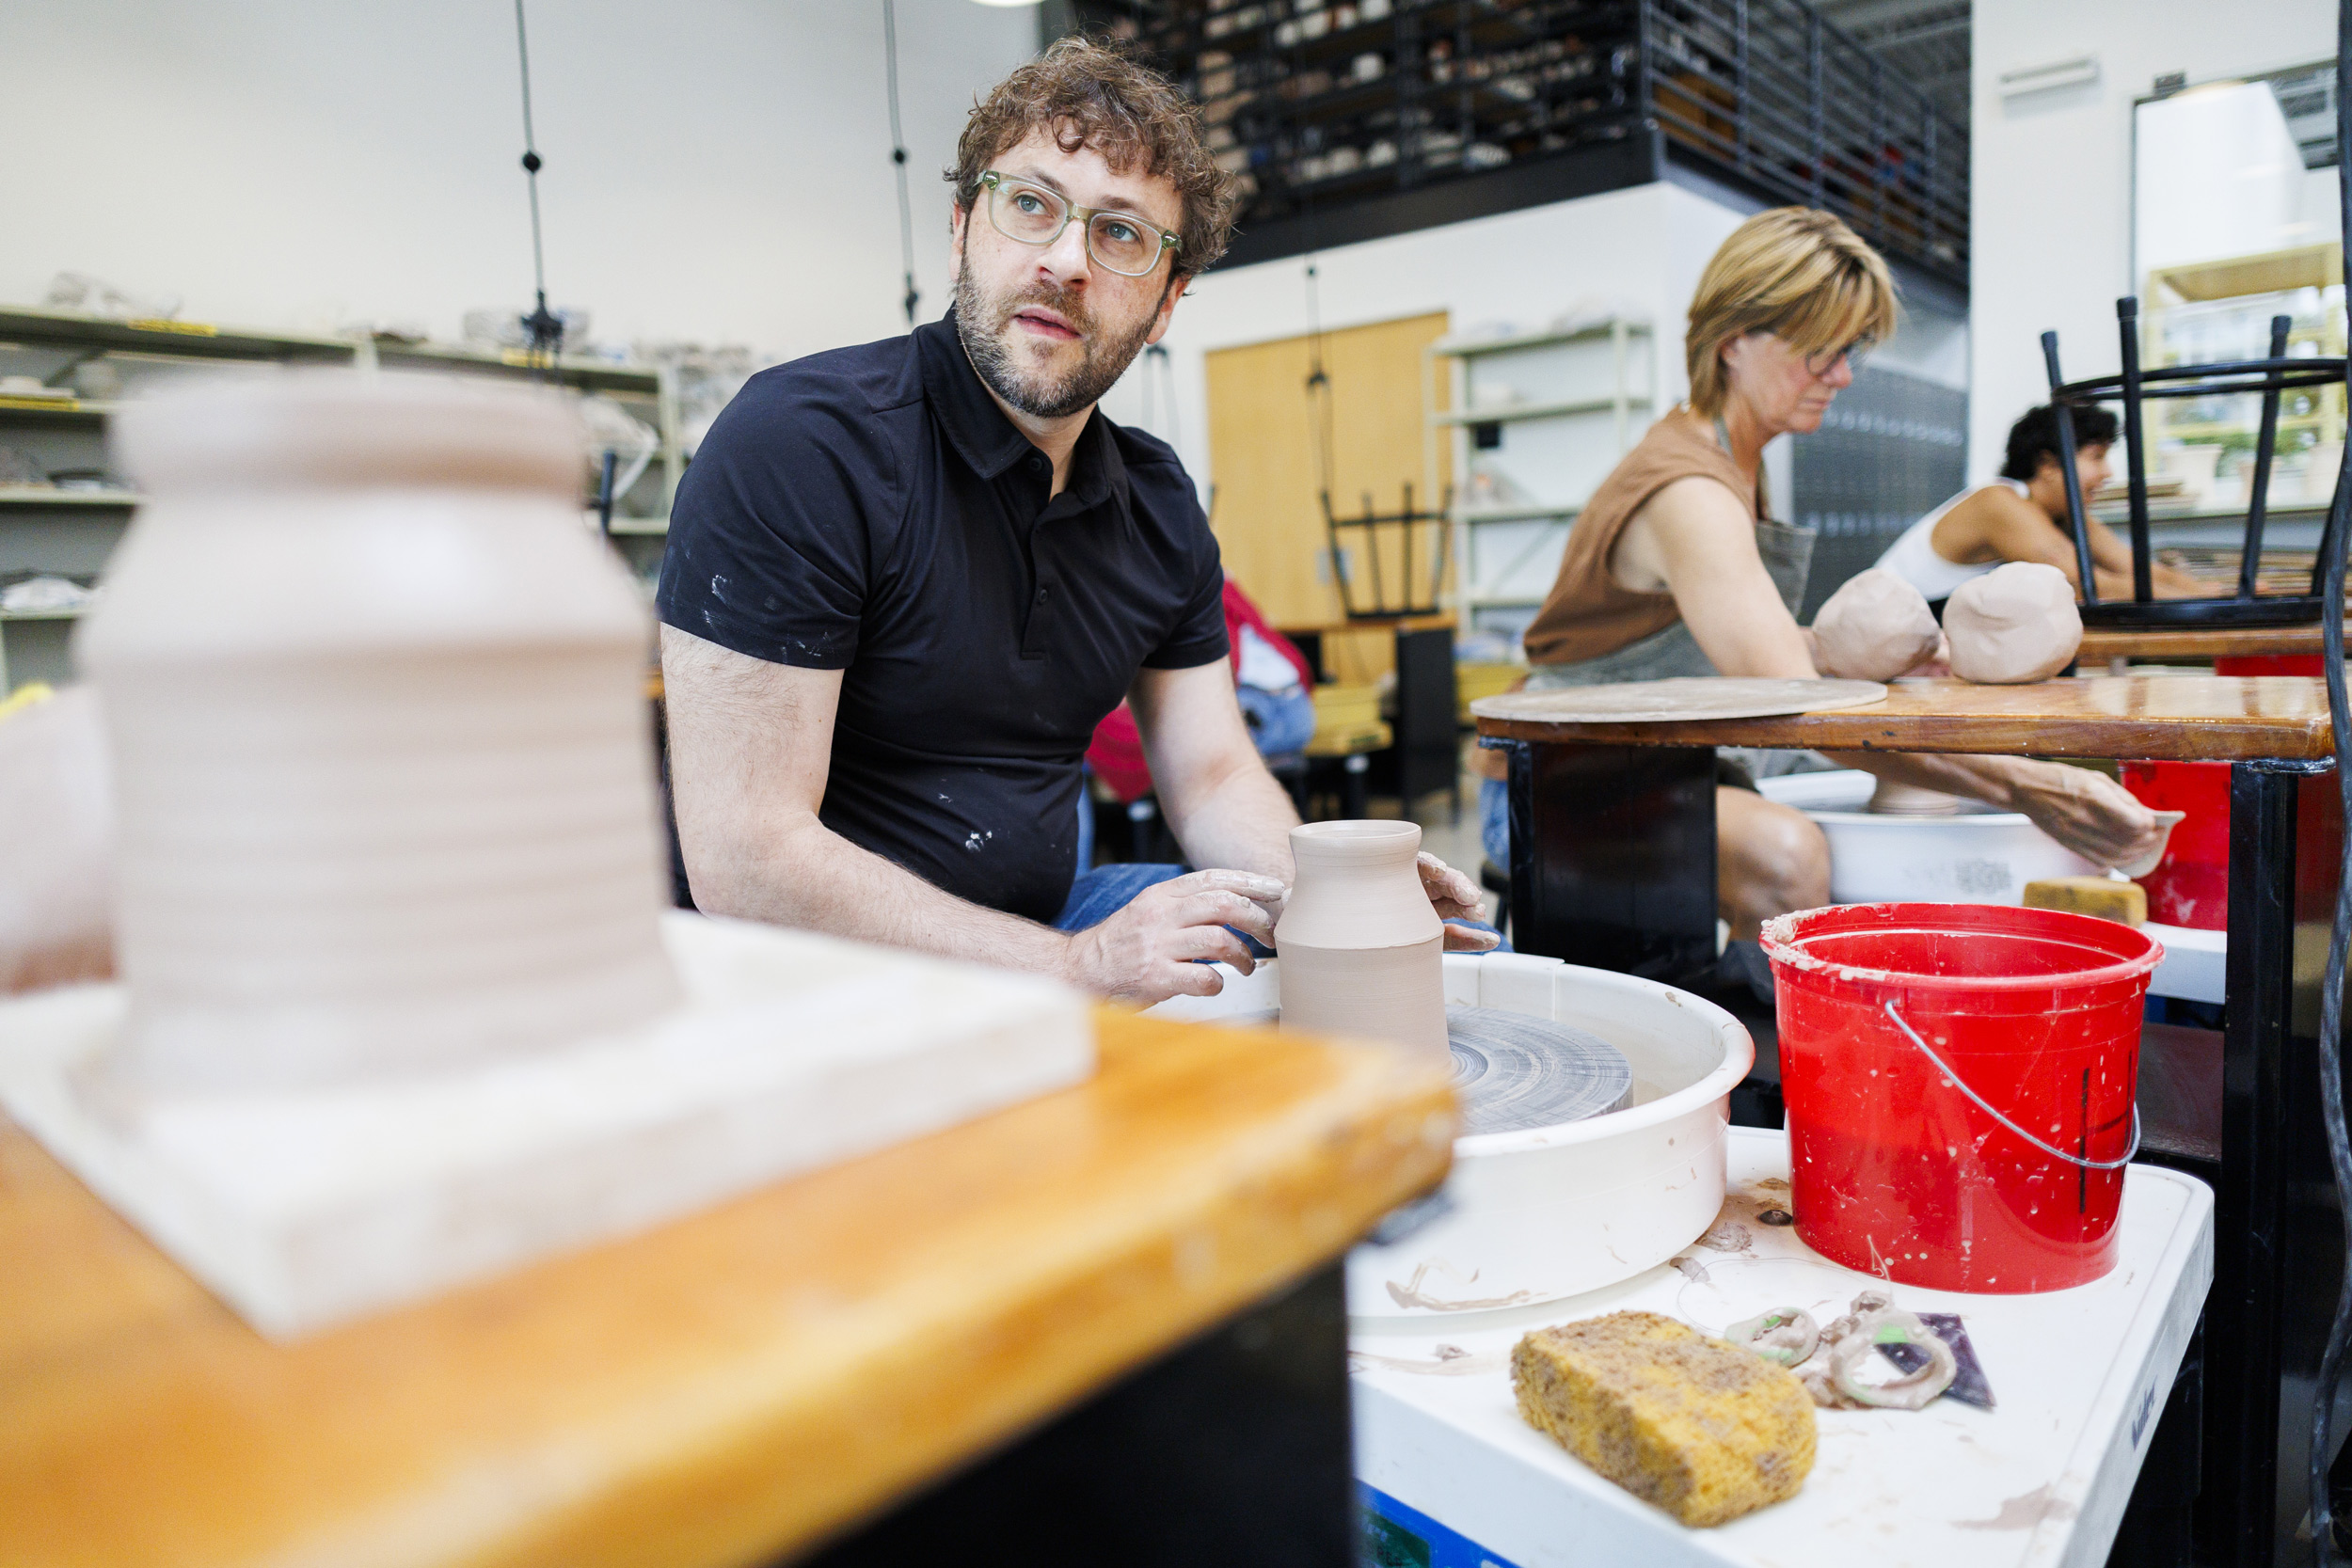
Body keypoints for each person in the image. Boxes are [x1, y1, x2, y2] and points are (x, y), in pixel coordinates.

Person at [658, 40, 1494, 1009]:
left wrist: (1338, 890)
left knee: (1425, 969)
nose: (1063, 260)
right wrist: (1077, 969)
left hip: (1047, 925)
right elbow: (746, 859)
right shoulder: (802, 445)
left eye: (1122, 235)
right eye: (1029, 205)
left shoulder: (1155, 501)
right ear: (963, 225)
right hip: (805, 979)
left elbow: (1215, 771)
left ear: (1168, 302)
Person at [1493, 208, 2165, 939]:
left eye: (1851, 351)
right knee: (1788, 856)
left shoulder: (1737, 458)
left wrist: (1885, 653)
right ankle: (1762, 1041)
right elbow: (1799, 707)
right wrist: (2025, 780)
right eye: (1821, 351)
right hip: (1564, 782)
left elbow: (1757, 646)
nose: (1842, 375)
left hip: (1668, 760)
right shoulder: (1689, 491)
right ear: (1734, 343)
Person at [1875, 404, 2207, 610]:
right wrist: (2198, 601)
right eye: (2096, 457)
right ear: (2048, 466)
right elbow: (2082, 584)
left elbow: (2135, 569)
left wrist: (2216, 594)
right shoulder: (1999, 502)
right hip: (1879, 624)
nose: (2108, 473)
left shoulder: (2063, 515)